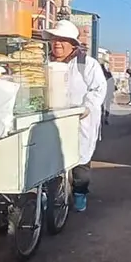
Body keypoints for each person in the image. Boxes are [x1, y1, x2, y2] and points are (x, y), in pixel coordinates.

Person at [46, 20, 107, 212]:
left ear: (73, 44)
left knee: (80, 163)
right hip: (52, 121)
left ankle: (80, 193)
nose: (57, 43)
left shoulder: (87, 64)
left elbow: (99, 88)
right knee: (51, 161)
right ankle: (54, 196)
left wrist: (87, 106)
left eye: (63, 40)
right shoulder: (44, 63)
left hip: (80, 121)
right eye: (55, 39)